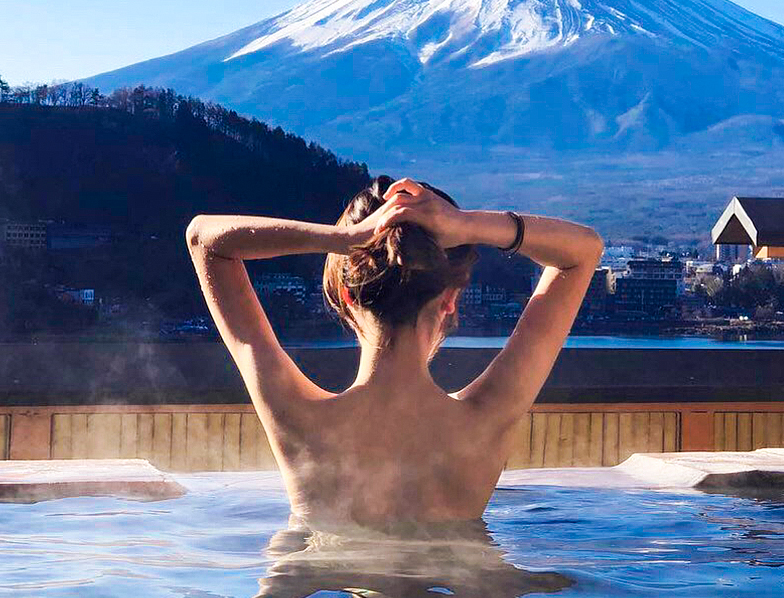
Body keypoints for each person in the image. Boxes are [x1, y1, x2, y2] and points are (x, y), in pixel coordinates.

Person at [185, 175, 603, 528]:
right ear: (450, 300)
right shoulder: (486, 418)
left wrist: (343, 239)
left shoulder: (298, 419)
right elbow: (583, 251)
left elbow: (203, 239)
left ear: (347, 295)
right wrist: (466, 225)